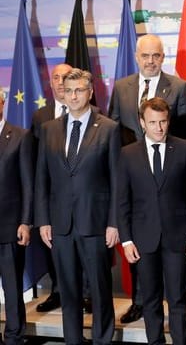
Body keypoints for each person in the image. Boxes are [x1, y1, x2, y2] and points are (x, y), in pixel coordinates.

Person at [108, 33, 186, 323]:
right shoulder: (121, 87)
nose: (150, 61)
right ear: (136, 57)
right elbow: (114, 133)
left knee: (173, 282)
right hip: (133, 178)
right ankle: (138, 301)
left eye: (156, 55)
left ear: (163, 57)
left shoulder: (180, 87)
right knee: (139, 247)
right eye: (145, 56)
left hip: (167, 175)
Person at [35, 69, 120, 344]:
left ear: (90, 92)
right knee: (68, 290)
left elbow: (117, 180)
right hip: (60, 225)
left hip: (95, 223)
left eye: (79, 90)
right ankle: (73, 340)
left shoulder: (109, 128)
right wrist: (44, 220)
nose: (73, 96)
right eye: (68, 90)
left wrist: (114, 222)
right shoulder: (49, 129)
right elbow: (41, 179)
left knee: (99, 290)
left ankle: (101, 340)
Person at [117, 97, 186, 344]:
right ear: (142, 122)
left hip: (178, 237)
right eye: (153, 122)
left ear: (169, 120)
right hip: (143, 239)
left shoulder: (184, 148)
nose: (159, 127)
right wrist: (126, 241)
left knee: (177, 299)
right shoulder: (127, 154)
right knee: (151, 299)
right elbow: (122, 201)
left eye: (163, 121)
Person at [31, 63, 96, 315]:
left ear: (87, 91)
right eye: (57, 78)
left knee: (90, 267)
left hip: (89, 211)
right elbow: (40, 171)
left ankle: (88, 295)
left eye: (70, 83)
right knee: (61, 264)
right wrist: (41, 216)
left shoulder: (102, 125)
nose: (63, 85)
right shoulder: (42, 120)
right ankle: (58, 291)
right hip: (58, 211)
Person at [0, 87, 33, 345]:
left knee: (12, 289)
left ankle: (14, 337)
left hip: (10, 226)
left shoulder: (20, 136)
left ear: (2, 104)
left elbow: (27, 184)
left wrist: (25, 221)